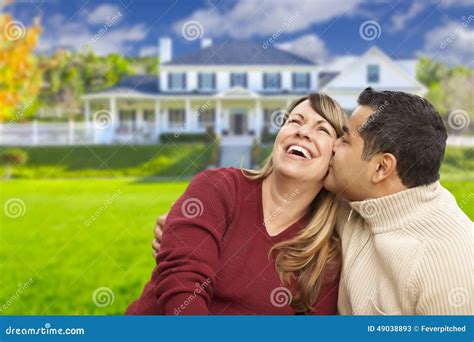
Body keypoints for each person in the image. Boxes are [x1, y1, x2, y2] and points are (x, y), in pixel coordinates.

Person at [152, 88, 473, 315]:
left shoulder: (452, 266)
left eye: (342, 139)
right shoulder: (353, 205)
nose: (309, 135)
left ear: (380, 167)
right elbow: (185, 270)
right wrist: (186, 227)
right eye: (293, 121)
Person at [127, 93, 347, 315]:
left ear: (334, 157)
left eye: (322, 129)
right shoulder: (217, 187)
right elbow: (182, 284)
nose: (302, 131)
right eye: (294, 121)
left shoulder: (324, 256)